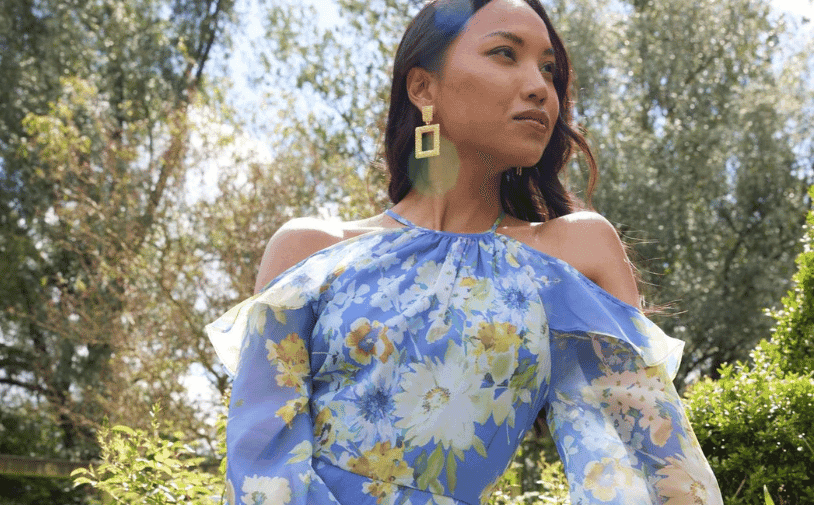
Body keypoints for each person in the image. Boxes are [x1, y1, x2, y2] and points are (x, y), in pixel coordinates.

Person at [206, 0, 724, 503]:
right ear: (424, 87)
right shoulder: (309, 252)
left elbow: (653, 463)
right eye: (505, 53)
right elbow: (259, 465)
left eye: (549, 69)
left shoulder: (574, 254)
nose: (540, 87)